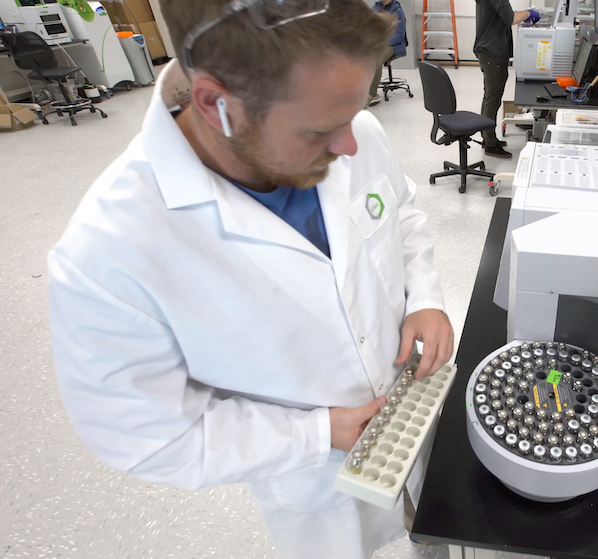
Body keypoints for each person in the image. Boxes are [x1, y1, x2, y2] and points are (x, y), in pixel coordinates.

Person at [47, 2, 454, 559]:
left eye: (353, 115)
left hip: (415, 412)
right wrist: (313, 435)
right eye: (320, 130)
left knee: (437, 531)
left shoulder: (347, 124)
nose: (349, 146)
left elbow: (399, 211)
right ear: (217, 105)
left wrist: (425, 297)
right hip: (315, 481)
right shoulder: (111, 252)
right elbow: (145, 433)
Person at [474, 0, 539, 158]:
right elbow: (510, 18)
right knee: (492, 99)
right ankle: (490, 144)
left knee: (490, 96)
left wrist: (523, 13)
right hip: (493, 53)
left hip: (489, 50)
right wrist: (529, 13)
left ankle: (488, 137)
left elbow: (505, 14)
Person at [368, 0, 407, 106]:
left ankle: (371, 94)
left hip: (393, 45)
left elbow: (399, 36)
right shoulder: (375, 8)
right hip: (377, 43)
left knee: (376, 58)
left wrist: (382, 42)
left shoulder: (397, 10)